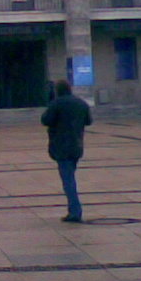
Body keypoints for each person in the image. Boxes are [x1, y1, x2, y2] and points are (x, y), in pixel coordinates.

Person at [40, 79, 93, 223]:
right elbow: (88, 121)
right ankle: (74, 210)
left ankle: (75, 211)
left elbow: (45, 120)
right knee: (70, 177)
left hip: (61, 146)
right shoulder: (81, 103)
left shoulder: (57, 104)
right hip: (76, 144)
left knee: (68, 180)